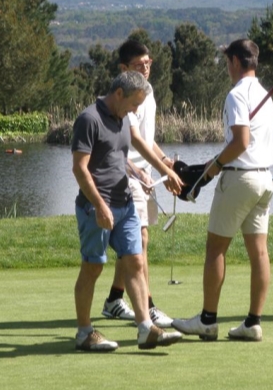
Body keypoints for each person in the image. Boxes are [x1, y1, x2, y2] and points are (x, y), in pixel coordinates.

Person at [172, 39, 273, 342]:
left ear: (234, 61)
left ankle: (207, 320)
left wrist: (213, 167)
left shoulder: (236, 95)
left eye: (226, 61)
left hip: (239, 179)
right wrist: (214, 164)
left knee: (216, 249)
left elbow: (241, 142)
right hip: (264, 179)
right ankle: (253, 322)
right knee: (259, 252)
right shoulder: (265, 96)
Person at [71, 70, 184, 351]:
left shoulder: (123, 119)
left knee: (135, 262)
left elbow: (122, 155)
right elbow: (79, 168)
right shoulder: (89, 119)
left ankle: (145, 328)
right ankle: (84, 332)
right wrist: (99, 205)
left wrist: (155, 172)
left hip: (125, 204)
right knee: (93, 266)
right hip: (95, 207)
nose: (136, 110)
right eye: (134, 104)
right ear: (118, 93)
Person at [101, 40, 177, 328]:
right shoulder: (123, 96)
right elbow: (131, 141)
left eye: (149, 63)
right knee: (139, 239)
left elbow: (147, 139)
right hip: (128, 174)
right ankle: (147, 305)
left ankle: (114, 300)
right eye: (139, 65)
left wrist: (163, 160)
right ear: (124, 68)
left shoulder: (149, 92)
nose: (145, 68)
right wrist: (150, 170)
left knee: (132, 241)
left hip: (146, 174)